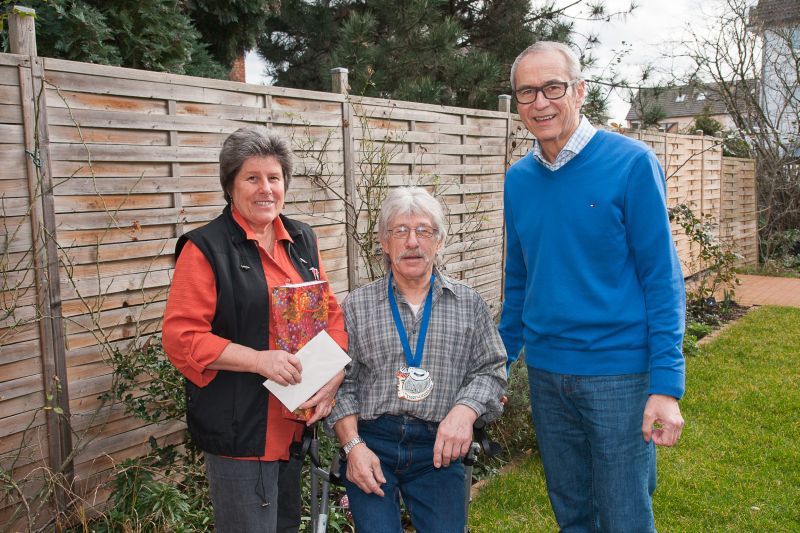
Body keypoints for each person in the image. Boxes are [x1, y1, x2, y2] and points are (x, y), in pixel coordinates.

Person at [499, 41, 686, 532]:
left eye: (552, 88)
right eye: (526, 92)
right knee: (573, 515)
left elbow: (662, 280)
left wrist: (666, 386)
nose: (539, 102)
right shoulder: (518, 181)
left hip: (619, 376)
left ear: (579, 91)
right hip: (545, 373)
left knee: (624, 515)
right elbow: (519, 280)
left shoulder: (631, 164)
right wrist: (497, 364)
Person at [162, 126, 348, 533]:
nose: (266, 189)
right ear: (230, 185)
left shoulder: (301, 238)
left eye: (274, 178)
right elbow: (182, 338)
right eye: (252, 178)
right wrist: (259, 361)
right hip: (242, 432)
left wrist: (334, 377)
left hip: (294, 425)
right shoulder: (205, 249)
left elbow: (331, 314)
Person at [327, 187, 507, 533]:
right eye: (401, 231)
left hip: (438, 447)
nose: (412, 242)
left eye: (424, 231)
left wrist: (465, 410)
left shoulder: (468, 305)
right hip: (372, 443)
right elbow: (341, 383)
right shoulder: (356, 307)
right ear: (384, 241)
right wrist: (353, 446)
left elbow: (492, 369)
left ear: (439, 242)